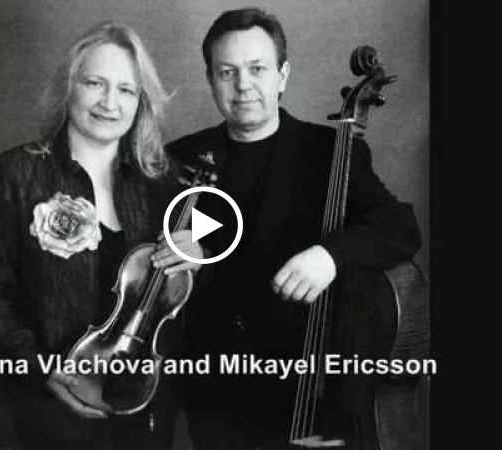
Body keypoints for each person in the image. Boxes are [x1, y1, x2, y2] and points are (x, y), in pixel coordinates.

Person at [167, 7, 423, 450]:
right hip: (216, 397)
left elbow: (399, 226)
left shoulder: (330, 151)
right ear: (210, 79)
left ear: (282, 75)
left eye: (257, 69)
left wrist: (331, 255)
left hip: (314, 391)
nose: (242, 85)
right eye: (227, 72)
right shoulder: (181, 159)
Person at [0, 20, 204, 450]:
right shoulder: (14, 175)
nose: (109, 103)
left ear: (140, 103)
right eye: (95, 83)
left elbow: (180, 297)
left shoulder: (163, 182)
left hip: (143, 403)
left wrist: (195, 256)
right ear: (69, 87)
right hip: (51, 407)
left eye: (126, 90)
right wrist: (40, 369)